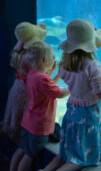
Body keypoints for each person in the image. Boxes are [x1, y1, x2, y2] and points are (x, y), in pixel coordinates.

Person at [42, 19, 101, 171]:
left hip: (72, 111)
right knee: (78, 160)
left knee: (65, 154)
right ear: (90, 43)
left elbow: (70, 82)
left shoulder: (65, 63)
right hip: (88, 115)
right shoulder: (92, 65)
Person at [10, 42, 69, 171]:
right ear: (45, 60)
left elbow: (48, 87)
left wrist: (58, 74)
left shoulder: (32, 74)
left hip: (28, 122)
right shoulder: (43, 79)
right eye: (53, 59)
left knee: (21, 149)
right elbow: (59, 93)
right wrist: (73, 85)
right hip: (39, 126)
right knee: (29, 155)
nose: (54, 61)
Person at [0, 22, 47, 143]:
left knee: (12, 119)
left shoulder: (19, 51)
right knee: (21, 126)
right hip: (26, 92)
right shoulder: (29, 57)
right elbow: (39, 76)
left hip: (17, 88)